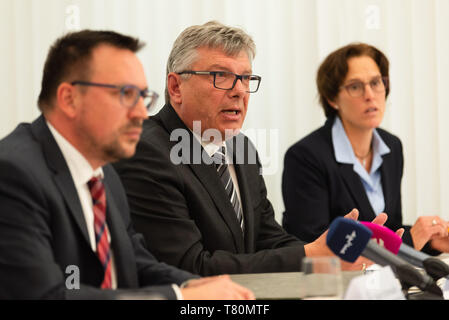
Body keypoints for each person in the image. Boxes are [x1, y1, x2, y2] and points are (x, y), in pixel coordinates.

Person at [113, 21, 384, 276]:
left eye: (245, 78)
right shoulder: (146, 151)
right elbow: (189, 266)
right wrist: (310, 255)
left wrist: (330, 252)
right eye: (221, 76)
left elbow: (267, 239)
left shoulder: (241, 147)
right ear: (176, 87)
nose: (239, 91)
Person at [0, 30, 255, 300]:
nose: (140, 113)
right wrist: (180, 298)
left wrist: (193, 286)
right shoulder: (14, 173)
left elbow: (134, 262)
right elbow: (43, 295)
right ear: (69, 99)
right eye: (125, 94)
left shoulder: (103, 173)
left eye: (143, 97)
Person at [282, 42, 449, 254]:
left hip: (378, 282)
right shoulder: (305, 156)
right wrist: (409, 240)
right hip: (330, 283)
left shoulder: (391, 147)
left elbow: (388, 229)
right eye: (355, 86)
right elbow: (315, 246)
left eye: (376, 82)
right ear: (332, 99)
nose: (370, 95)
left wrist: (431, 242)